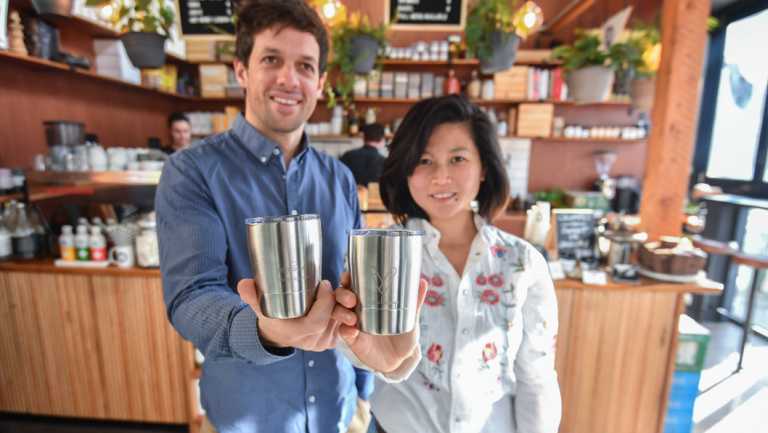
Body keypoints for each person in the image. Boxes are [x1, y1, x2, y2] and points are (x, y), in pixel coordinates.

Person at [155, 1, 424, 432]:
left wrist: (365, 392)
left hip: (340, 414)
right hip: (248, 420)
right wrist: (266, 332)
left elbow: (352, 293)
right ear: (242, 70)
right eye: (271, 60)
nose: (288, 78)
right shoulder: (192, 172)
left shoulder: (339, 178)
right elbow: (191, 299)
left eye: (304, 66)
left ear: (319, 82)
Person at [353, 95, 562, 432]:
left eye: (458, 159)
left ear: (484, 169)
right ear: (405, 169)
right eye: (424, 160)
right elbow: (355, 351)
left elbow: (536, 377)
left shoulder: (523, 264)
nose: (441, 177)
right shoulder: (380, 254)